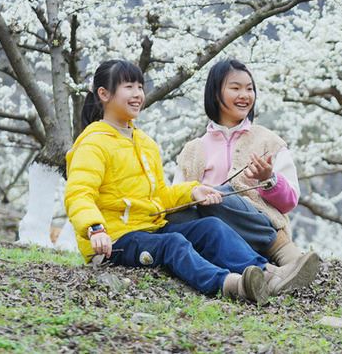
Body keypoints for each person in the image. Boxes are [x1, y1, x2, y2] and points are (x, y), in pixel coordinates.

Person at [65, 59, 311, 303]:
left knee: (211, 228)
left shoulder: (145, 144)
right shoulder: (93, 143)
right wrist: (95, 228)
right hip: (114, 240)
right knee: (174, 243)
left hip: (150, 228)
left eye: (140, 87)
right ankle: (232, 285)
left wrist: (194, 191)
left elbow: (159, 195)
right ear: (104, 94)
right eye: (128, 87)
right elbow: (79, 192)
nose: (137, 94)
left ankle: (270, 275)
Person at [172, 59, 319, 286]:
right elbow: (176, 200)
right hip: (215, 237)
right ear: (215, 93)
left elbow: (290, 201)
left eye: (249, 88)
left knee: (222, 195)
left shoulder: (268, 142)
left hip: (257, 232)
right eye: (235, 88)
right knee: (184, 209)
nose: (245, 95)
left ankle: (284, 253)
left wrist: (268, 180)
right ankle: (267, 272)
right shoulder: (193, 150)